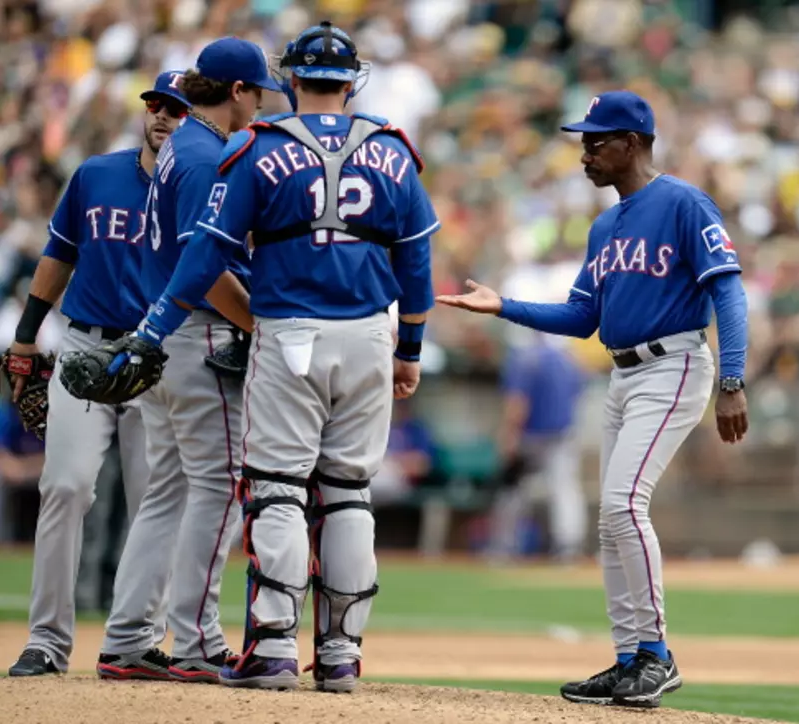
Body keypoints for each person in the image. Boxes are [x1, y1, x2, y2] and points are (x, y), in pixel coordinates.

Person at [102, 21, 437, 692]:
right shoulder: (393, 150)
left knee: (278, 488)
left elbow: (206, 253)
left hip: (289, 335)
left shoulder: (260, 146)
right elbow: (419, 259)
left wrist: (152, 326)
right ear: (353, 82)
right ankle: (341, 656)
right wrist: (409, 348)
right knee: (348, 495)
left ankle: (275, 648)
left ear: (289, 80)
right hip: (371, 333)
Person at [436, 90, 750, 709]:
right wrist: (505, 306)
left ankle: (657, 656)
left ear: (631, 143)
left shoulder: (684, 202)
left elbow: (729, 293)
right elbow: (583, 316)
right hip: (622, 374)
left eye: (595, 141)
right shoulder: (606, 224)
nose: (584, 153)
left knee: (621, 505)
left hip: (675, 364)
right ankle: (631, 655)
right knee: (612, 521)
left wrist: (733, 382)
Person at [94, 38, 279, 683]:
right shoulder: (205, 155)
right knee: (218, 486)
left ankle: (124, 640)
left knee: (168, 492)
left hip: (162, 335)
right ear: (236, 92)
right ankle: (198, 643)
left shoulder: (178, 148)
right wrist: (258, 324)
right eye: (258, 93)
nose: (260, 105)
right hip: (198, 335)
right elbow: (202, 269)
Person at [5, 71, 189, 677]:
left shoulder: (204, 187)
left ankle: (134, 639)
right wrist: (27, 336)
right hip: (86, 347)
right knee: (64, 488)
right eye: (156, 104)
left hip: (160, 356)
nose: (162, 115)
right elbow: (58, 253)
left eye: (178, 108)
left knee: (153, 505)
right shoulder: (96, 175)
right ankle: (46, 641)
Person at [487, 331, 588, 563]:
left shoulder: (523, 358)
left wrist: (509, 435)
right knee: (564, 489)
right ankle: (568, 547)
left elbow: (517, 402)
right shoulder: (567, 359)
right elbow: (577, 396)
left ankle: (503, 547)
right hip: (563, 433)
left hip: (531, 437)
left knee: (512, 492)